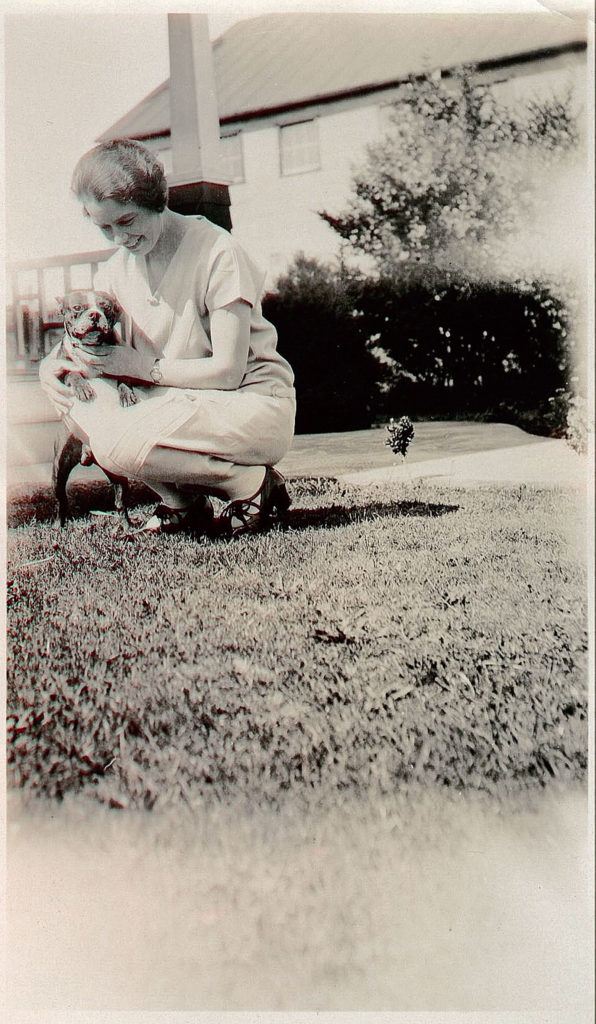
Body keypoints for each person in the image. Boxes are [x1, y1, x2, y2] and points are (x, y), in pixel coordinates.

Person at [39, 138, 296, 537]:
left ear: (156, 201)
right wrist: (48, 369)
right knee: (83, 405)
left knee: (115, 442)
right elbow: (87, 346)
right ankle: (183, 505)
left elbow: (228, 372)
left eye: (126, 221)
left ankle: (250, 486)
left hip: (249, 407)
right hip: (177, 407)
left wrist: (143, 367)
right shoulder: (114, 273)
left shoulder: (218, 252)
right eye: (103, 227)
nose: (119, 238)